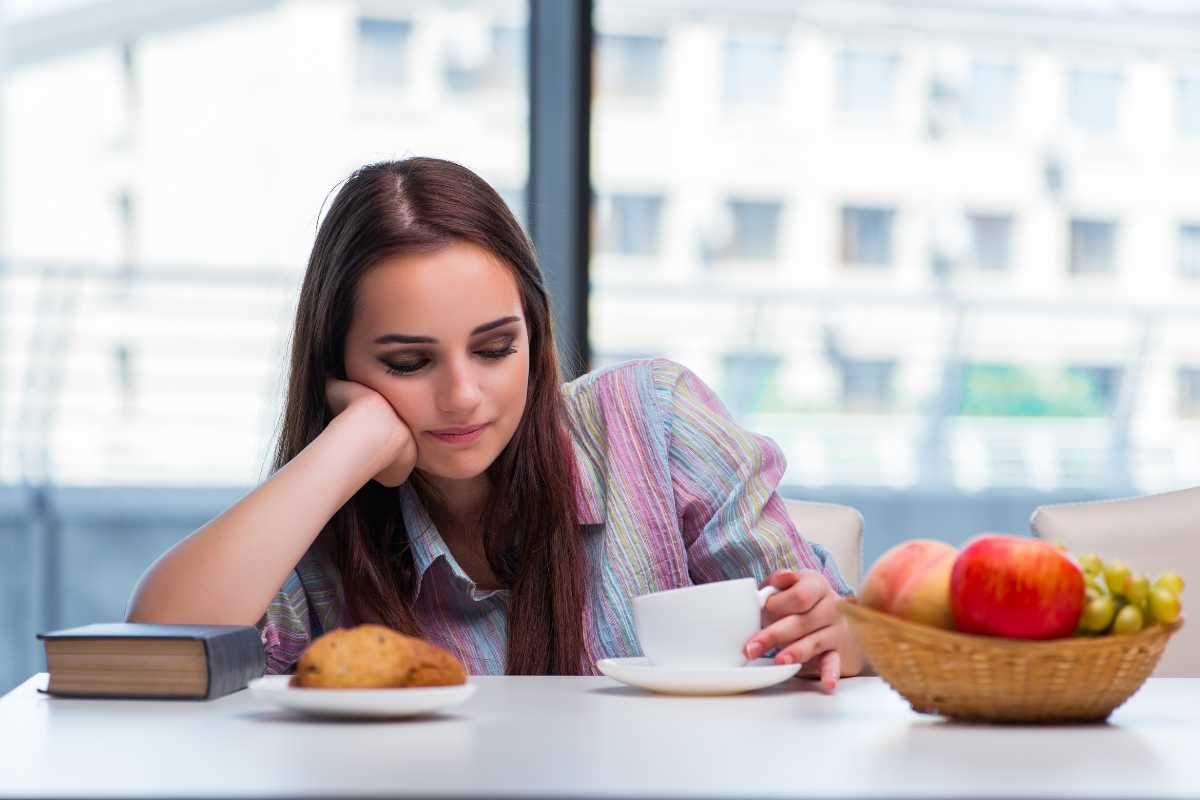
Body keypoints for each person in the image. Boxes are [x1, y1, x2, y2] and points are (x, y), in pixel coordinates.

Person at [126, 157, 866, 691]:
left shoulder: (655, 419)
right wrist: (348, 445)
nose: (464, 397)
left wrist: (843, 634)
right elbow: (157, 650)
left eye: (494, 348)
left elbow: (836, 637)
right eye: (409, 362)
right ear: (338, 368)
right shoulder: (319, 532)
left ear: (535, 337)